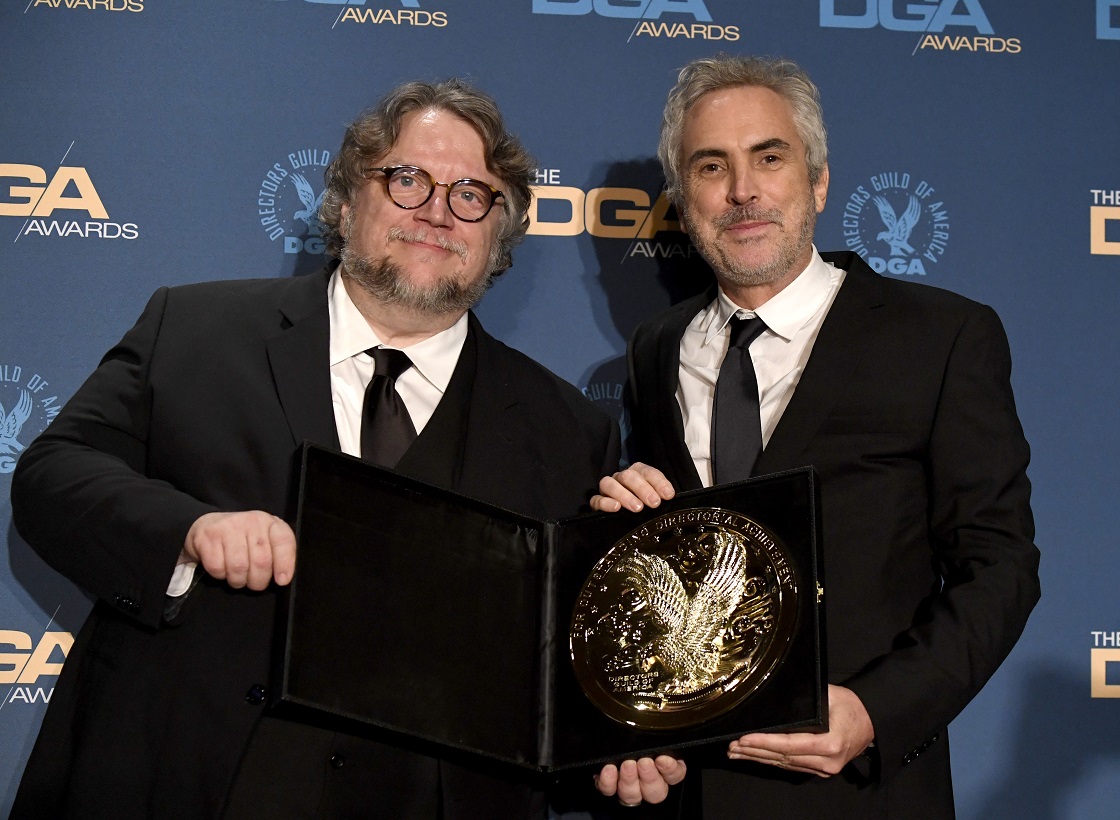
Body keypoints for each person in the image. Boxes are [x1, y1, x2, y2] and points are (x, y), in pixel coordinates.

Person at [9, 79, 622, 819]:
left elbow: (569, 669)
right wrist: (189, 532)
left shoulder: (568, 428)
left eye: (471, 194)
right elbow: (52, 474)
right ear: (342, 202)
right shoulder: (194, 329)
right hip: (175, 778)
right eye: (407, 180)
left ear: (499, 235)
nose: (437, 210)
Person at [591, 55, 1040, 818]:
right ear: (682, 199)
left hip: (863, 794)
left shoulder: (942, 336)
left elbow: (1000, 567)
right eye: (711, 166)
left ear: (820, 180)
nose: (744, 190)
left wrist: (877, 712)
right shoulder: (654, 348)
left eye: (770, 156)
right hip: (692, 795)